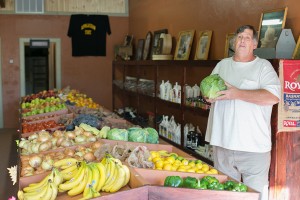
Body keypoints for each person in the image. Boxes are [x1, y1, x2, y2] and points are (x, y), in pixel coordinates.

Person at [205, 25, 281, 200]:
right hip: (223, 144)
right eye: (239, 37)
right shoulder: (222, 65)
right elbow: (209, 92)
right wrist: (207, 97)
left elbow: (273, 97)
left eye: (247, 38)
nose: (242, 41)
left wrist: (236, 93)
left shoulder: (263, 67)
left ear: (254, 44)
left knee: (254, 195)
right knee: (222, 194)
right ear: (234, 42)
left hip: (253, 148)